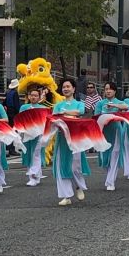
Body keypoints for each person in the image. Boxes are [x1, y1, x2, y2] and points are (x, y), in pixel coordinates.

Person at [52, 77, 89, 206]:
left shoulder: (79, 103)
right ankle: (66, 196)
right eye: (64, 87)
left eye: (68, 87)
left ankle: (78, 186)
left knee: (75, 166)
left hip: (75, 138)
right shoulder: (58, 105)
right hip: (62, 138)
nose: (65, 89)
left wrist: (65, 112)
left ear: (73, 89)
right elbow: (54, 118)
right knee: (62, 165)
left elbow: (80, 112)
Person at [93, 81, 129, 192]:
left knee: (115, 154)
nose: (108, 91)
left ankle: (110, 181)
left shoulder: (119, 102)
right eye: (106, 89)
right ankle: (109, 177)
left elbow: (126, 107)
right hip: (103, 131)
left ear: (114, 91)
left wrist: (114, 105)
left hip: (116, 130)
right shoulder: (100, 103)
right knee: (104, 157)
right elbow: (96, 117)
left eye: (110, 89)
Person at [20, 83, 48, 186]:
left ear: (39, 97)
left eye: (36, 95)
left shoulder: (42, 108)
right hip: (27, 134)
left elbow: (45, 122)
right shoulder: (24, 107)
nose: (33, 97)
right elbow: (20, 119)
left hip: (38, 134)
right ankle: (35, 176)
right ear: (28, 96)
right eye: (32, 95)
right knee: (28, 154)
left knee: (36, 153)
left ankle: (33, 175)